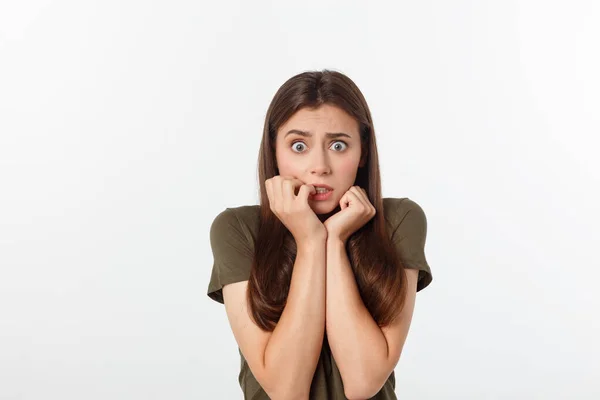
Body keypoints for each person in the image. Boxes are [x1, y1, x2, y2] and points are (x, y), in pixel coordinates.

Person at [207, 69, 433, 400]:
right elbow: (286, 391)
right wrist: (312, 241)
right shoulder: (238, 229)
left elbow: (363, 382)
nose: (319, 166)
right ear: (275, 151)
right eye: (299, 145)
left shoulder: (399, 221)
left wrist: (337, 240)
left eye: (338, 145)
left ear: (363, 152)